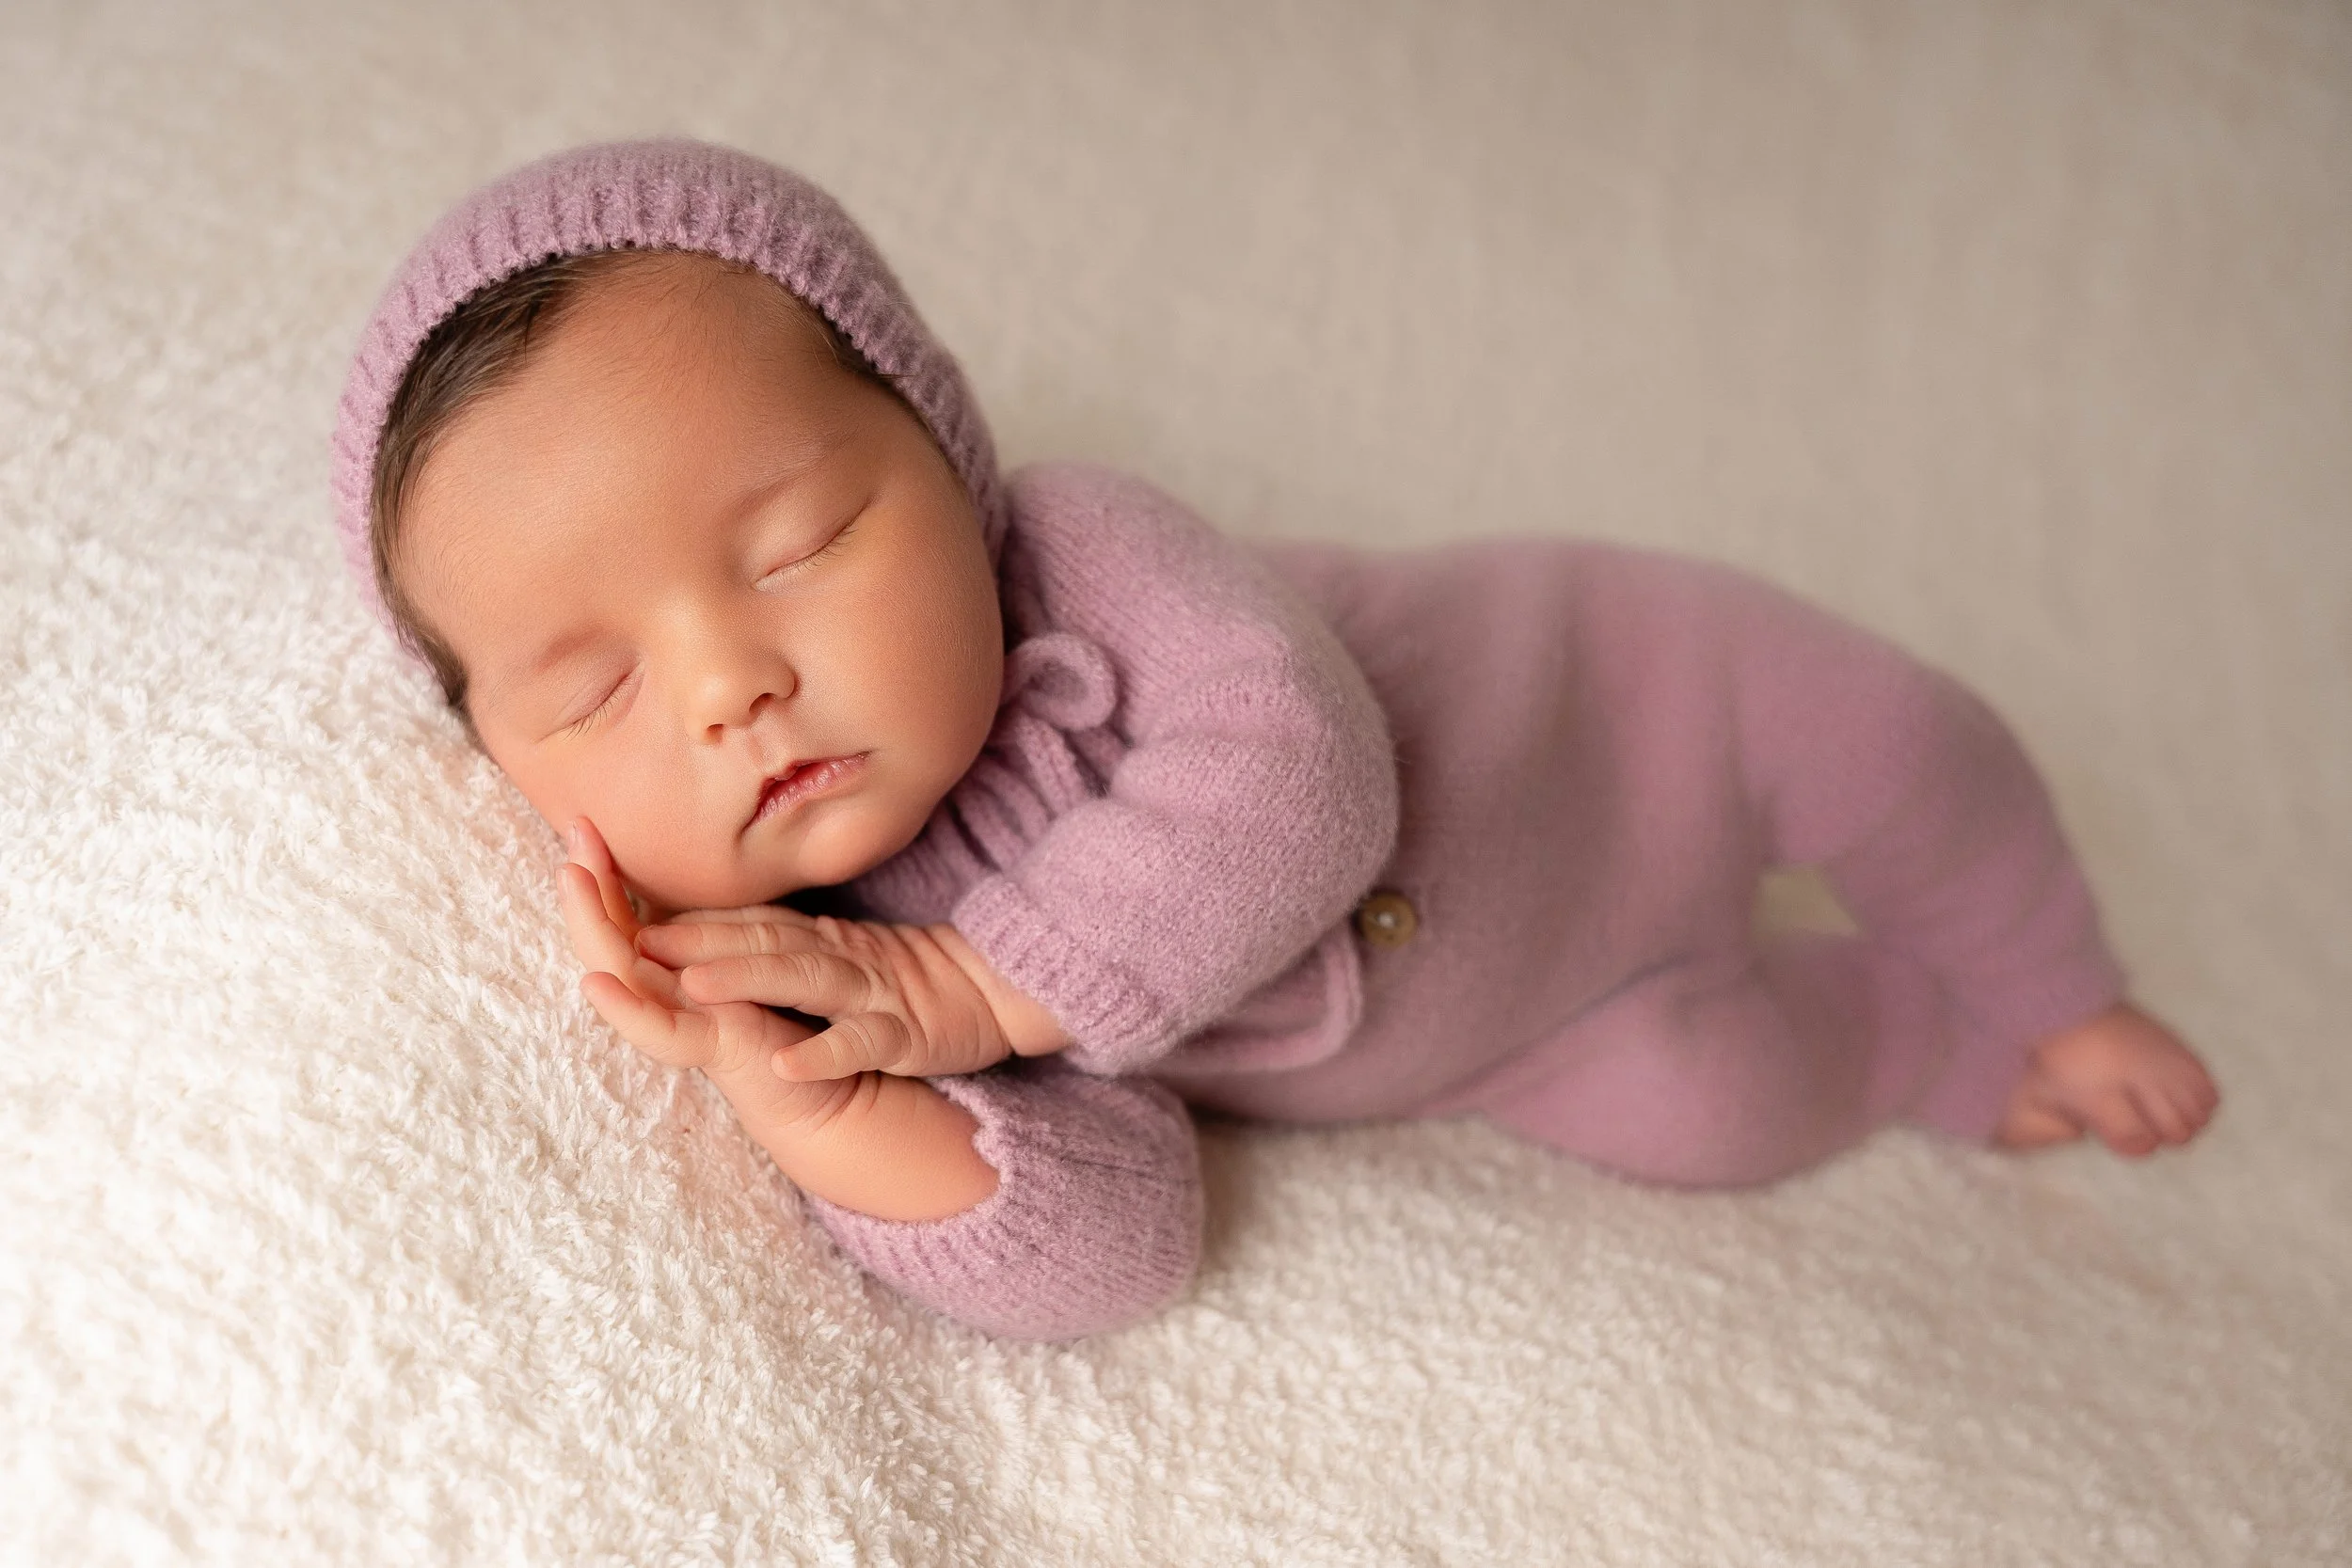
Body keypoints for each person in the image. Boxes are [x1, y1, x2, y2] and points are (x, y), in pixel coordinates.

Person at [330, 139, 2218, 1341]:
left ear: (943, 446)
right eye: (593, 690)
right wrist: (821, 1101)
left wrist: (963, 982)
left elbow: (1299, 773)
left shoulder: (1082, 552)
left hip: (1638, 700)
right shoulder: (848, 967)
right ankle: (1921, 1038)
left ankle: (2046, 980)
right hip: (1539, 1023)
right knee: (1707, 1111)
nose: (731, 681)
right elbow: (1121, 1243)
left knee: (1890, 741)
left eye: (800, 543)